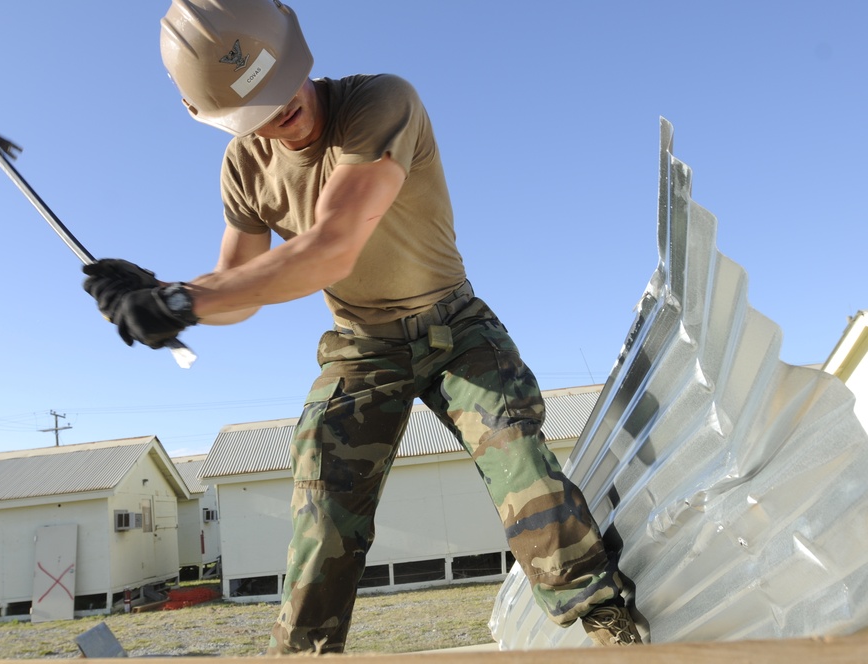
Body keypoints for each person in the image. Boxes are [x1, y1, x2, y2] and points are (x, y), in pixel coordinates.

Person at [82, 0, 643, 653]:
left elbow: (332, 247)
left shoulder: (379, 104)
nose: (279, 109)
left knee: (520, 462)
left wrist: (181, 300)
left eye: (280, 81)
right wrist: (163, 291)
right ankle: (305, 655)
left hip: (454, 325)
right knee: (322, 505)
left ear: (296, 51)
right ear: (214, 118)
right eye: (251, 109)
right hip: (361, 344)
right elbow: (240, 294)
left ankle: (609, 621)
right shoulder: (243, 168)